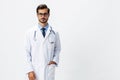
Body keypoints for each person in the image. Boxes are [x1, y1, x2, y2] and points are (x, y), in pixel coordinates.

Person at [24, 4, 61, 80]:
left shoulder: (54, 33)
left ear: (48, 15)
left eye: (45, 14)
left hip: (49, 70)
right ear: (37, 15)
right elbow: (26, 53)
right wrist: (29, 70)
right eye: (40, 14)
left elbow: (58, 49)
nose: (43, 16)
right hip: (35, 70)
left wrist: (54, 61)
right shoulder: (30, 32)